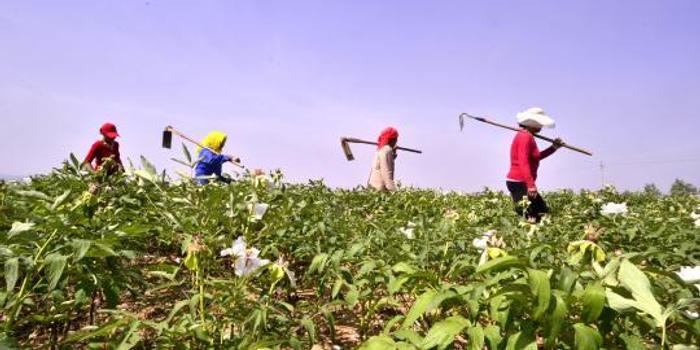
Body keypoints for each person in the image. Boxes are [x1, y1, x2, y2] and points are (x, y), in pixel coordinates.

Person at [506, 107, 563, 222]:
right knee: (534, 215)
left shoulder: (527, 136)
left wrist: (553, 147)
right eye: (539, 124)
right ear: (531, 124)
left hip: (522, 182)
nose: (541, 127)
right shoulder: (525, 137)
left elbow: (535, 157)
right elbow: (523, 162)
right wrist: (531, 185)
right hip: (519, 182)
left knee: (538, 214)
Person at [368, 127, 399, 191]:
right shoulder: (387, 150)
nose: (397, 141)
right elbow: (386, 171)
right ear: (392, 139)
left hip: (373, 188)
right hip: (380, 190)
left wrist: (394, 152)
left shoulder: (381, 149)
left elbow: (386, 162)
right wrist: (393, 190)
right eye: (396, 138)